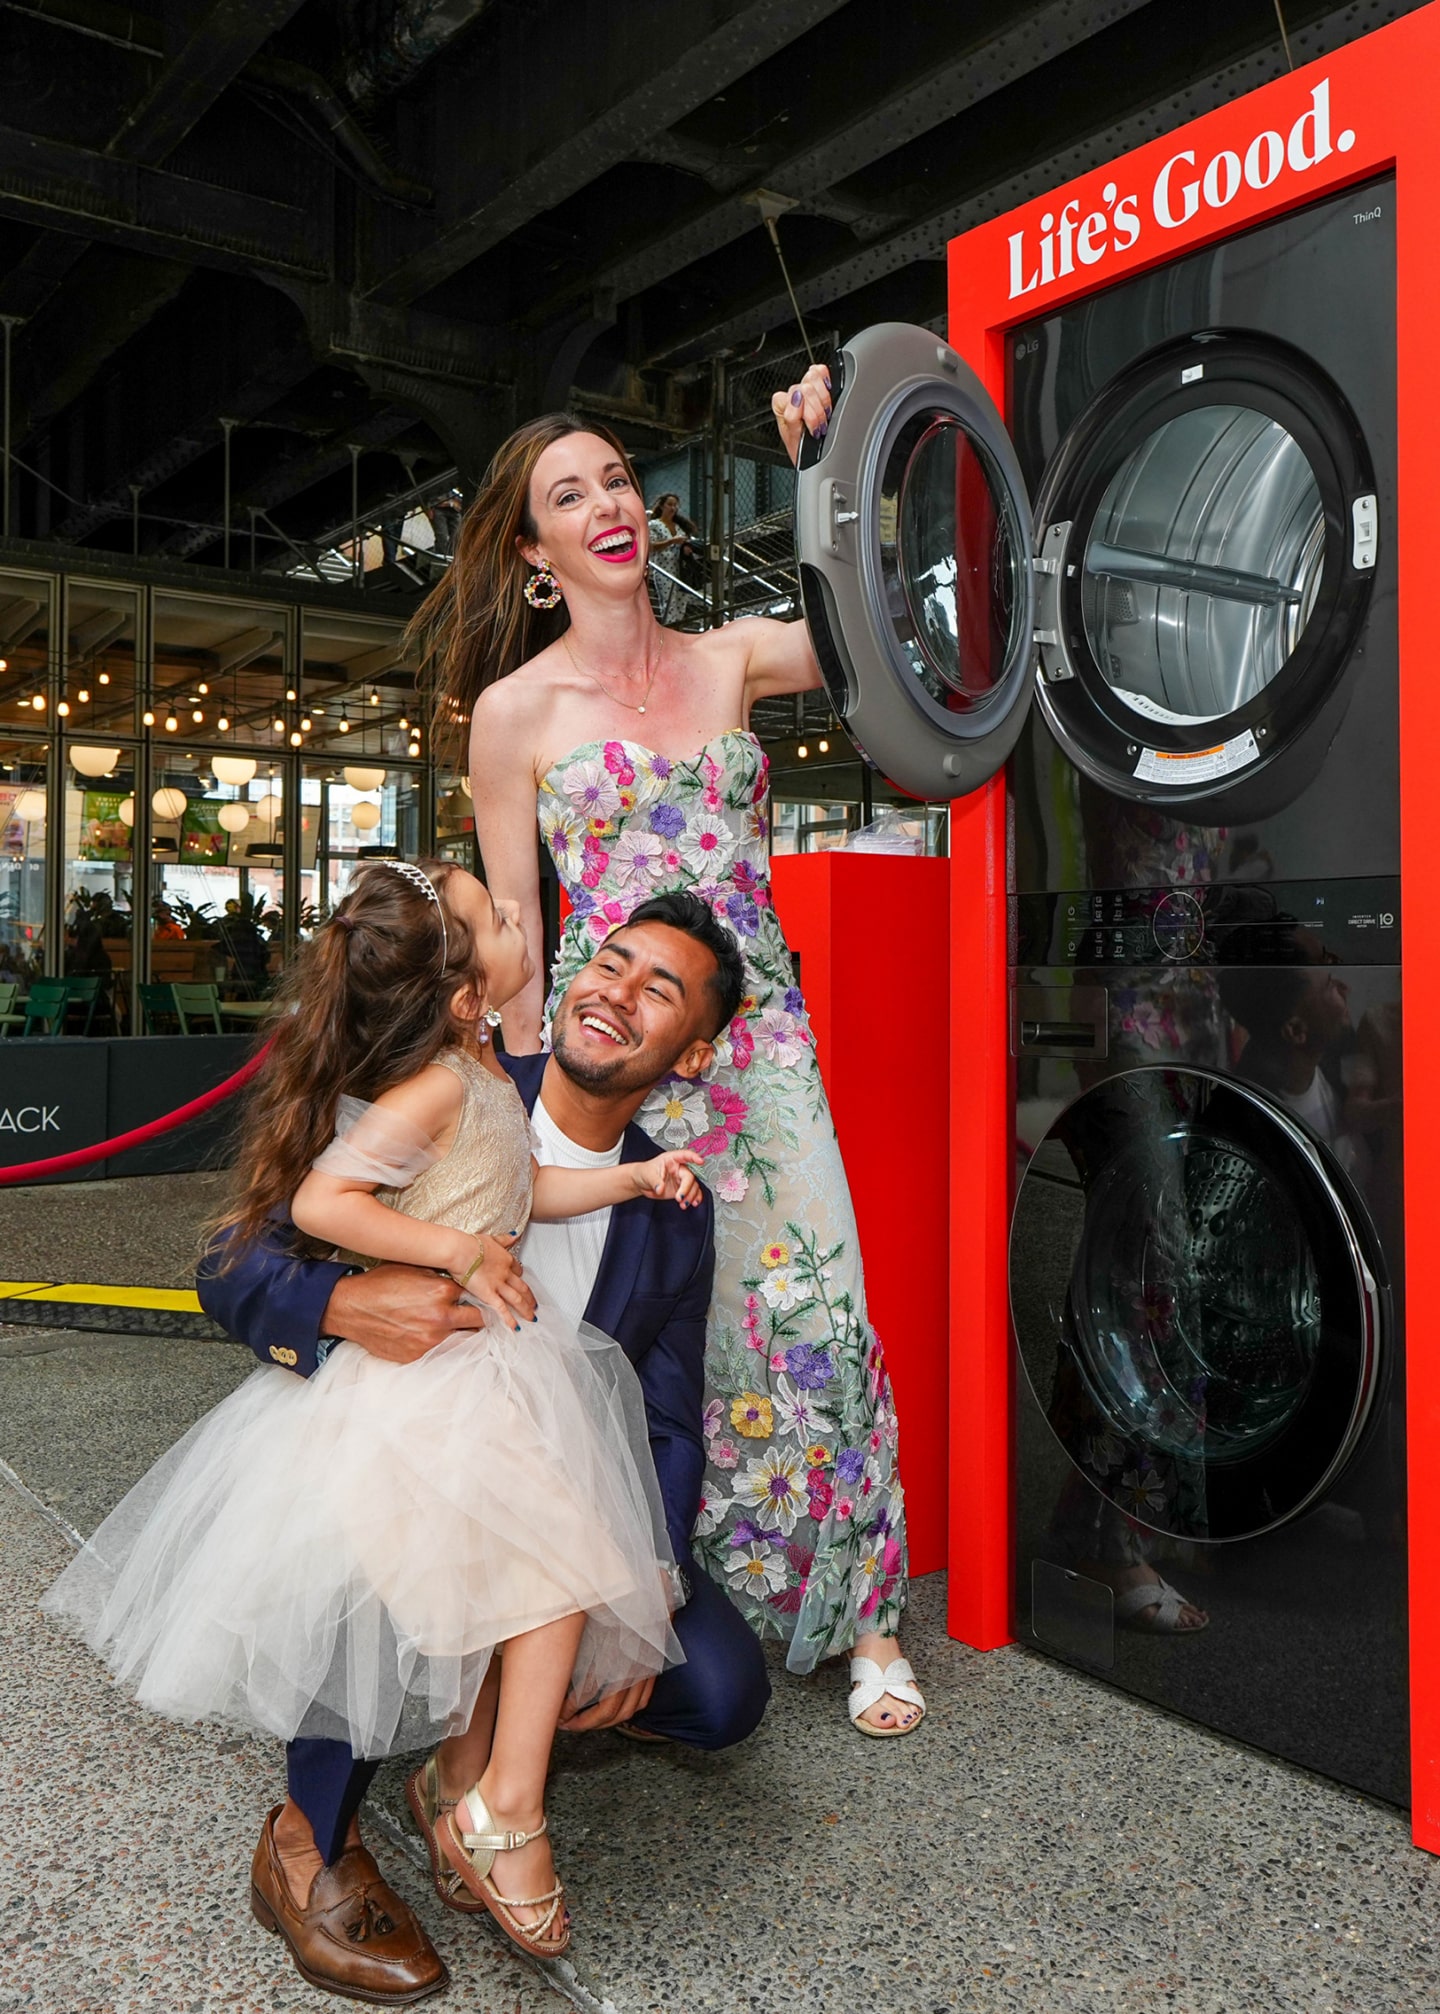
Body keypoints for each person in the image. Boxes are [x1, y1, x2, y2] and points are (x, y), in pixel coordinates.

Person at [44, 861, 717, 1991]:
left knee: (581, 1575)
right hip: (419, 1398)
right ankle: (315, 1838)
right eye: (609, 960)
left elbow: (664, 1403)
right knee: (375, 1588)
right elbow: (276, 1230)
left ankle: (477, 1790)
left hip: (513, 1389)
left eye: (661, 989)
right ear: (472, 991)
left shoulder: (622, 1174)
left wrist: (632, 1183)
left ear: (695, 1051)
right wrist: (352, 1297)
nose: (610, 984)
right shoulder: (443, 1080)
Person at [408, 370, 927, 1739]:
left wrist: (828, 470)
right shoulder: (513, 712)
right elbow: (517, 928)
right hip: (616, 1067)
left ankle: (865, 1612)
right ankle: (692, 1596)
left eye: (619, 479)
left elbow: (871, 630)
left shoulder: (733, 656)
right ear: (535, 551)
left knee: (818, 1304)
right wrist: (519, 1118)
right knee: (654, 1340)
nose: (608, 503)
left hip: (761, 1049)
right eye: (568, 494)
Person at [645, 492, 699, 626]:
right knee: (668, 604)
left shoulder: (679, 527)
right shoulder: (654, 525)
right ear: (662, 506)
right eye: (669, 504)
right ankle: (669, 631)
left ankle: (678, 630)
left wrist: (686, 548)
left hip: (681, 569)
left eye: (675, 505)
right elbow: (651, 547)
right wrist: (671, 541)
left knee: (681, 604)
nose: (673, 508)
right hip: (664, 570)